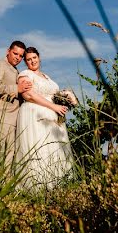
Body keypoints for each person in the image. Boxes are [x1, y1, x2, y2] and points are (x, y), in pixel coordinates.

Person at [15, 47, 75, 191]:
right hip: (35, 115)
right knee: (40, 147)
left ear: (39, 57)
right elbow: (28, 95)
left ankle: (58, 186)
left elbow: (54, 94)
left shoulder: (46, 77)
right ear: (25, 62)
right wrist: (53, 107)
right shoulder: (25, 74)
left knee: (54, 148)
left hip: (53, 118)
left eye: (34, 58)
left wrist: (67, 98)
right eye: (28, 59)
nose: (32, 61)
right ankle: (38, 188)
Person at [0, 40, 32, 170]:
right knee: (1, 154)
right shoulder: (0, 64)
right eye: (15, 53)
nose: (18, 58)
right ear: (8, 51)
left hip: (12, 117)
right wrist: (17, 89)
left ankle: (5, 187)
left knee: (9, 155)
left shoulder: (15, 70)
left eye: (21, 56)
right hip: (0, 115)